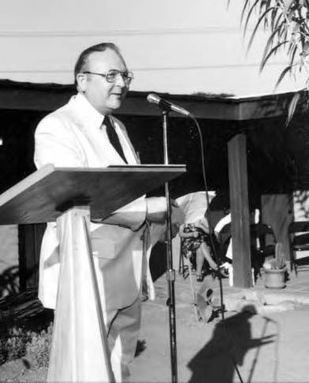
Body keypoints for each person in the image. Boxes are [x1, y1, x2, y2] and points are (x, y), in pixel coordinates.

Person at [34, 42, 183, 382]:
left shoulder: (117, 128)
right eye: (111, 75)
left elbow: (126, 192)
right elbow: (74, 198)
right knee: (86, 374)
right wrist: (149, 208)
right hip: (88, 276)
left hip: (127, 273)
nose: (121, 83)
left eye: (125, 75)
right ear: (81, 80)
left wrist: (166, 219)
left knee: (119, 369)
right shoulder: (57, 127)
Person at [179, 215, 227, 281]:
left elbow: (210, 231)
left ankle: (198, 273)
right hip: (188, 243)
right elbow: (181, 234)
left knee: (200, 246)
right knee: (201, 243)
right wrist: (192, 234)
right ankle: (211, 263)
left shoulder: (202, 218)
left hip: (202, 242)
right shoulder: (184, 218)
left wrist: (201, 226)